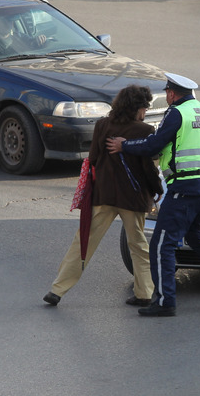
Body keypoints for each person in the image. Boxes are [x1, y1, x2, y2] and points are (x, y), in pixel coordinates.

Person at [106, 73, 200, 316]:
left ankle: (165, 302)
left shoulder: (177, 113)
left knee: (161, 246)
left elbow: (154, 145)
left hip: (183, 188)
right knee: (199, 239)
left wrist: (124, 145)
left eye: (167, 93)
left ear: (171, 93)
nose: (167, 97)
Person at [43, 85, 162, 307]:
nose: (145, 112)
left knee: (83, 242)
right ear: (136, 108)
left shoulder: (102, 125)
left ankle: (57, 289)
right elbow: (148, 167)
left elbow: (94, 159)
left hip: (104, 194)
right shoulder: (145, 131)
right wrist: (157, 188)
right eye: (144, 108)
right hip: (132, 198)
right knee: (137, 245)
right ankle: (144, 293)